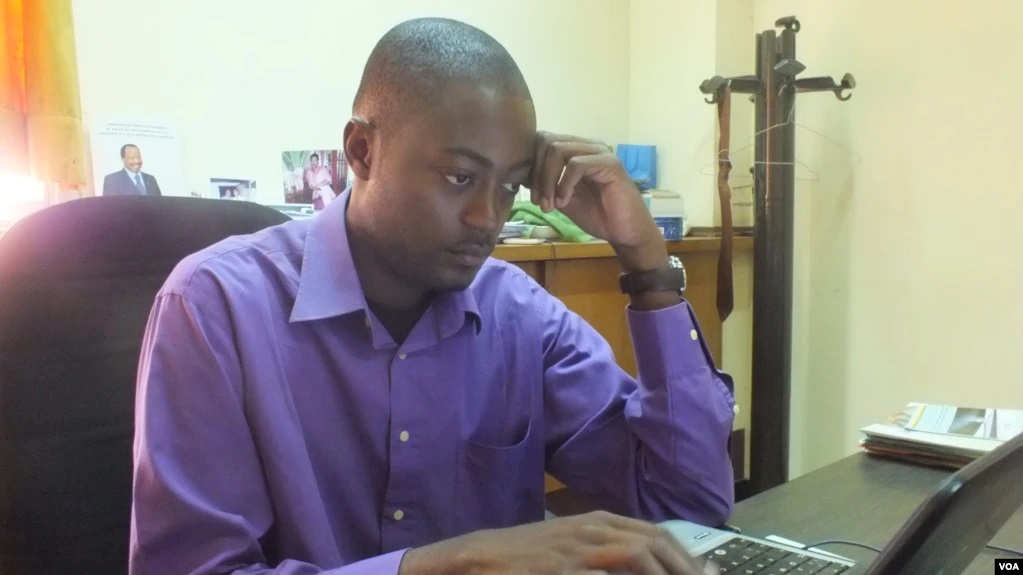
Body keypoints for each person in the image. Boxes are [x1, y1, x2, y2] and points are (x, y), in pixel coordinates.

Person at [129, 17, 735, 575]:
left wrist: (646, 260)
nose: (487, 217)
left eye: (510, 186)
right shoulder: (214, 307)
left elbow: (686, 505)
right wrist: (451, 564)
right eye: (459, 177)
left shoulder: (519, 315)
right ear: (362, 151)